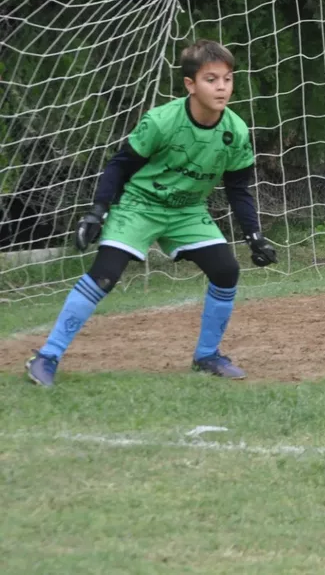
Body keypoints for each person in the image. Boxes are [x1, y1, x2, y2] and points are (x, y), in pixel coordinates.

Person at [25, 40, 277, 387]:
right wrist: (97, 212)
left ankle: (207, 355)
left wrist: (254, 235)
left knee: (226, 270)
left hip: (187, 211)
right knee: (105, 275)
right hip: (140, 205)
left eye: (228, 79)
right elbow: (118, 166)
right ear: (190, 84)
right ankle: (47, 357)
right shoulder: (161, 121)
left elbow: (238, 189)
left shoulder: (236, 130)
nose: (222, 87)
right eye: (211, 79)